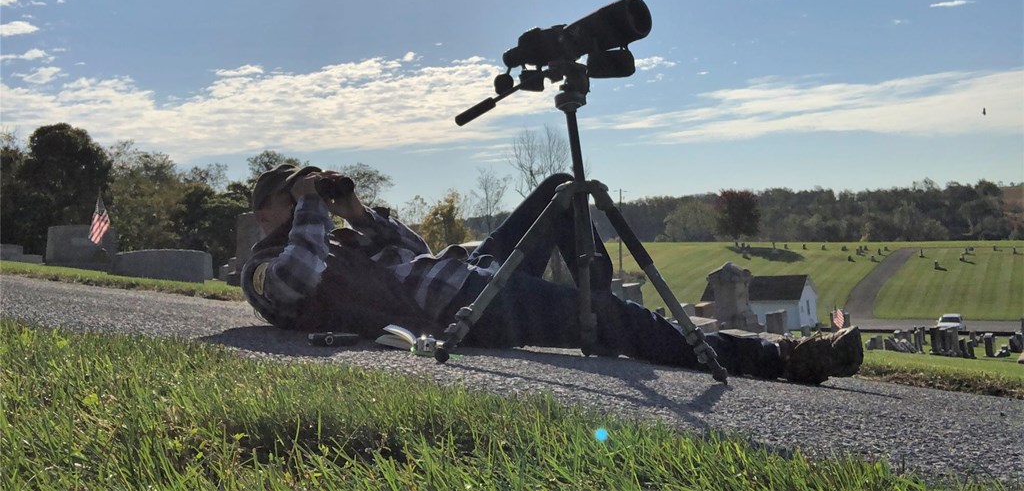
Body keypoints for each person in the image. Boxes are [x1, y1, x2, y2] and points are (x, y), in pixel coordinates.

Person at [241, 164, 862, 385]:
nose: (304, 205)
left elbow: (415, 247)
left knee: (562, 190)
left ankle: (593, 307)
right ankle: (783, 356)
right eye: (288, 197)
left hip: (470, 273)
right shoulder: (265, 268)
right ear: (266, 211)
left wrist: (354, 210)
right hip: (466, 311)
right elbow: (296, 282)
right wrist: (312, 207)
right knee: (618, 320)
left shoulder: (337, 232)